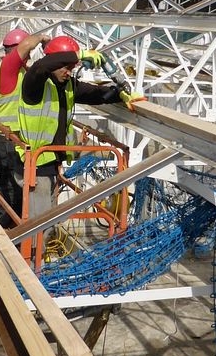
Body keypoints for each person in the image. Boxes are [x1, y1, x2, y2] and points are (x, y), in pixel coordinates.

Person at [15, 35, 144, 249]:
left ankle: (36, 262)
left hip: (50, 161)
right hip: (33, 162)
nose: (68, 71)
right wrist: (81, 54)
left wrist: (120, 95)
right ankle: (30, 269)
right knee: (39, 224)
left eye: (72, 68)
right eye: (64, 66)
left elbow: (94, 93)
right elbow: (41, 65)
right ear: (54, 62)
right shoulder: (35, 82)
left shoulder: (67, 86)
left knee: (46, 219)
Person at [0, 29, 50, 228]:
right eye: (27, 49)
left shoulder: (16, 70)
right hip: (8, 137)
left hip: (10, 136)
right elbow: (26, 47)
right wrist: (41, 38)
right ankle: (2, 229)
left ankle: (9, 227)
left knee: (10, 185)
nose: (30, 53)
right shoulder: (8, 66)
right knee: (11, 188)